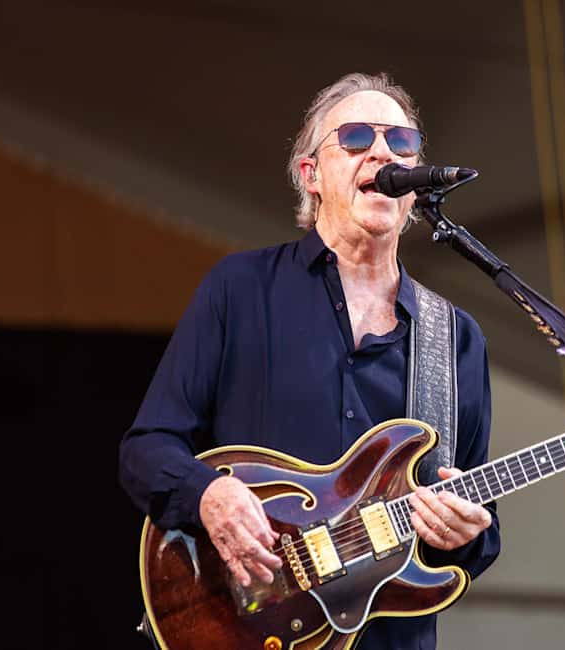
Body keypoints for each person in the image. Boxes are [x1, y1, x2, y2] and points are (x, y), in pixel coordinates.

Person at [119, 72, 500, 649]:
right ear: (311, 174)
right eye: (356, 137)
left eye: (401, 141)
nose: (383, 152)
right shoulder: (240, 289)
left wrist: (465, 534)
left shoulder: (454, 338)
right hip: (239, 620)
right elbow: (146, 449)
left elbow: (472, 523)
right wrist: (207, 495)